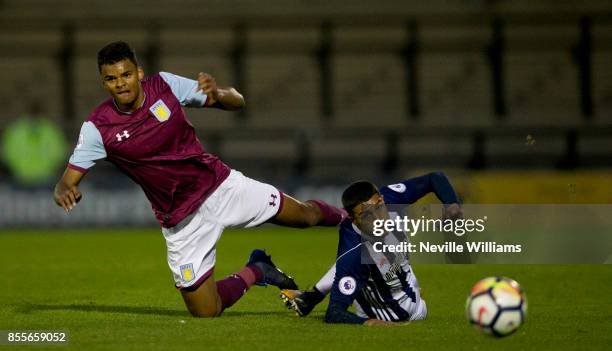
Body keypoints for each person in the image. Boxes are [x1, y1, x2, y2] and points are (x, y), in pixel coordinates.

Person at [53, 41, 346, 318]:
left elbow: (238, 101)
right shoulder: (98, 128)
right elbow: (67, 180)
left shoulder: (164, 85)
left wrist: (217, 94)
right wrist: (65, 190)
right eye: (111, 78)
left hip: (221, 187)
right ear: (103, 82)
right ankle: (258, 269)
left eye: (126, 74)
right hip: (182, 221)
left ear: (139, 73)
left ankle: (353, 217)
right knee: (206, 311)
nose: (121, 83)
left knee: (305, 216)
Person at [280, 172, 462, 325]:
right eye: (367, 215)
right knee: (360, 265)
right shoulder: (352, 244)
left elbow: (434, 178)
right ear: (352, 218)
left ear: (382, 199)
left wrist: (452, 205)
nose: (378, 218)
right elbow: (338, 298)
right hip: (384, 312)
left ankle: (310, 297)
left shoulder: (389, 198)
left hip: (414, 301)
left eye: (379, 207)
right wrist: (368, 322)